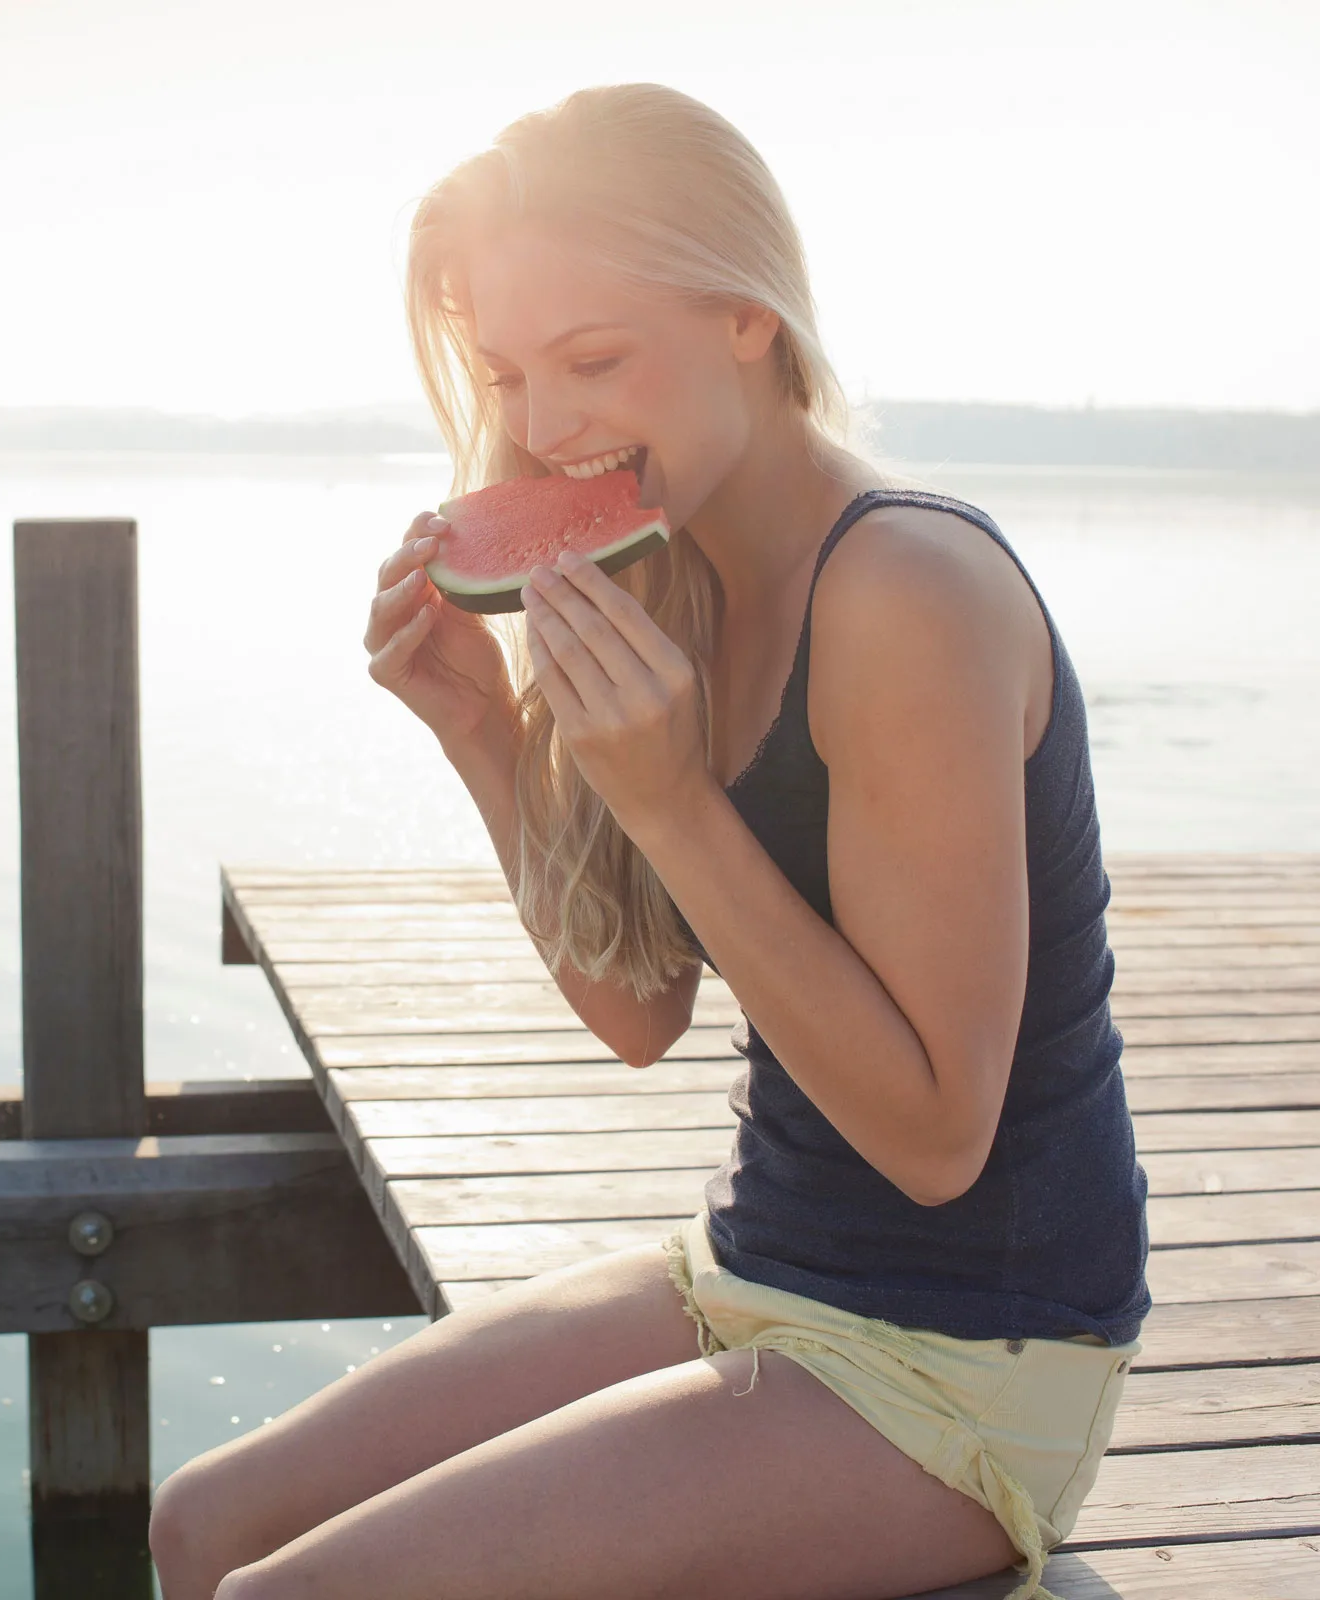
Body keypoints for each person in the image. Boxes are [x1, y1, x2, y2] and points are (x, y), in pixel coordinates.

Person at [148, 82, 1149, 1600]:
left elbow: (943, 1139)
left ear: (748, 315)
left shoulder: (905, 594)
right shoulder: (669, 560)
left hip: (966, 1360)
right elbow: (637, 1013)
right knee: (204, 1528)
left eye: (595, 360)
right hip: (754, 1268)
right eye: (508, 373)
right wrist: (485, 735)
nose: (544, 428)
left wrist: (672, 796)